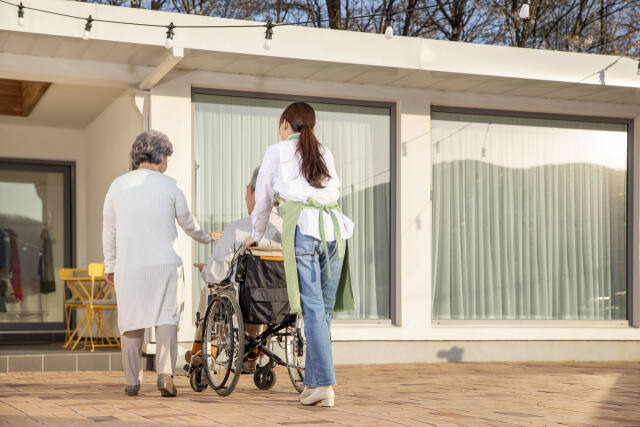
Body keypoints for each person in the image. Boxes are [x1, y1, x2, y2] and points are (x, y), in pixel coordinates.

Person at [245, 102, 355, 407]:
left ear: (284, 124)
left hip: (305, 229)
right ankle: (314, 382)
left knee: (313, 310)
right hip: (334, 230)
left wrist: (256, 236)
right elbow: (334, 190)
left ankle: (325, 385)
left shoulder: (277, 151)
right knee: (323, 312)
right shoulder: (325, 152)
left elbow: (263, 198)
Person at [102, 130, 217, 397]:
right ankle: (165, 375)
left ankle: (132, 381)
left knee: (131, 322)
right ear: (161, 157)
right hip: (166, 264)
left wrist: (110, 264)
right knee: (167, 318)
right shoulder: (170, 185)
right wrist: (206, 237)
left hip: (129, 265)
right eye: (167, 156)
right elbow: (189, 224)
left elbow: (109, 230)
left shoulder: (117, 186)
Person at [188, 167, 282, 372]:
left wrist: (207, 271)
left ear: (256, 194)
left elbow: (216, 273)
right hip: (280, 303)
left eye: (247, 191)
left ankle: (203, 352)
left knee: (212, 291)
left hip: (245, 301)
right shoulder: (287, 230)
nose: (245, 197)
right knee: (257, 294)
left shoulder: (239, 228)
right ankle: (252, 355)